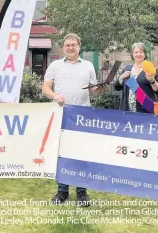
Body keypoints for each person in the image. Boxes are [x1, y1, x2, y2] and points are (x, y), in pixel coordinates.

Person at [42, 33, 106, 207]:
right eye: (67, 45)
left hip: (82, 116)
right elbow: (45, 88)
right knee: (62, 154)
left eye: (74, 45)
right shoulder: (55, 65)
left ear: (79, 46)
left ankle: (81, 191)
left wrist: (101, 89)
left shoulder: (88, 66)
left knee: (81, 154)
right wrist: (55, 95)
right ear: (63, 47)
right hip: (62, 115)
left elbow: (93, 91)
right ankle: (62, 190)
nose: (70, 47)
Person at [114, 42, 158, 113]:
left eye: (141, 52)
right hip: (127, 111)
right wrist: (121, 77)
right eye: (136, 52)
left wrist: (152, 81)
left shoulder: (151, 69)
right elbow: (117, 87)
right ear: (132, 54)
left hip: (145, 111)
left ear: (145, 54)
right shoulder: (127, 69)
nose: (138, 54)